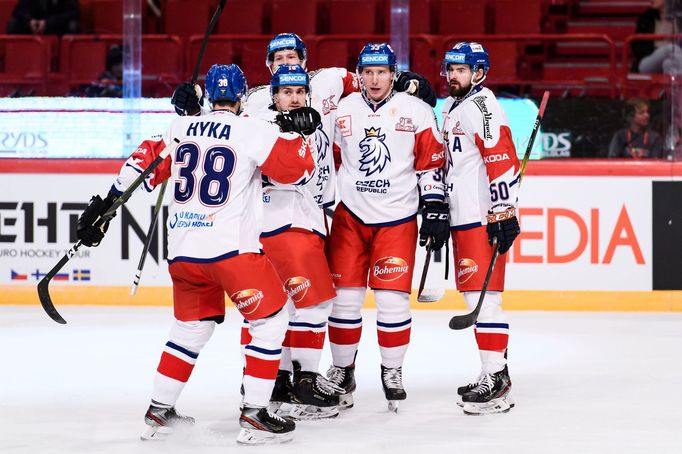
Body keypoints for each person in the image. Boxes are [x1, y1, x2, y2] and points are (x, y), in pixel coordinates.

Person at [75, 64, 318, 445]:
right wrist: (296, 133)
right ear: (241, 98)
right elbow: (298, 172)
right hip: (232, 254)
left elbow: (140, 167)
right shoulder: (253, 129)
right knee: (271, 322)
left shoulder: (178, 128)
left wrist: (102, 209)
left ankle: (159, 408)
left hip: (184, 255)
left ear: (207, 94)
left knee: (190, 329)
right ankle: (255, 413)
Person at [324, 43, 448, 412]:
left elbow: (429, 164)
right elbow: (328, 160)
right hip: (350, 219)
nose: (374, 78)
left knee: (392, 302)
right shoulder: (342, 110)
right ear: (358, 74)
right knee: (344, 301)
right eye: (368, 71)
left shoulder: (418, 110)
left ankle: (391, 371)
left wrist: (436, 205)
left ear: (395, 74)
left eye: (382, 71)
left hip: (397, 219)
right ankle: (342, 370)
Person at [245, 63, 344, 420]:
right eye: (287, 93)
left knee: (286, 309)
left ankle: (280, 380)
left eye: (300, 92)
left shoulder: (310, 121)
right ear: (273, 96)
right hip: (287, 226)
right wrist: (286, 133)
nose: (295, 98)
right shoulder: (264, 125)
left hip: (296, 223)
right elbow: (282, 175)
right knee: (314, 306)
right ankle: (305, 381)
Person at [440, 42, 520, 415]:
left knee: (483, 301)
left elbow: (501, 160)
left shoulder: (483, 107)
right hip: (463, 217)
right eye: (450, 69)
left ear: (479, 72)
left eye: (461, 69)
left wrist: (503, 212)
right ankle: (492, 371)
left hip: (480, 217)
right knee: (476, 298)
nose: (453, 75)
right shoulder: (458, 106)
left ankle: (497, 380)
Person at [631, 0, 682, 75]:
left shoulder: (679, 18)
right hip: (648, 61)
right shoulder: (647, 17)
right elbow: (637, 47)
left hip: (675, 58)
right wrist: (659, 51)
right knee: (671, 48)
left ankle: (672, 86)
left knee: (668, 64)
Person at [6, 0, 79, 35]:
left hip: (56, 26)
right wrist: (29, 21)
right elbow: (18, 11)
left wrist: (48, 23)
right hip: (33, 26)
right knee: (13, 24)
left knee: (73, 25)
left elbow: (73, 13)